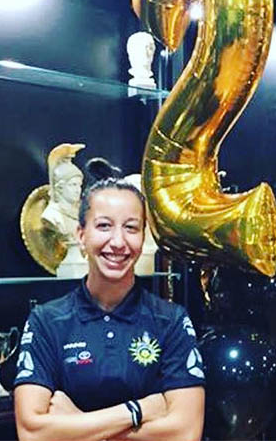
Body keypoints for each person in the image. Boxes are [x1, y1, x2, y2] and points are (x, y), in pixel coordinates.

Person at [14, 177, 205, 441]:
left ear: (143, 237)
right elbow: (32, 433)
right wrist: (138, 410)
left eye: (131, 228)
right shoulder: (46, 321)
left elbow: (185, 433)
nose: (118, 242)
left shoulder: (171, 321)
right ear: (81, 235)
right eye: (104, 226)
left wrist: (75, 422)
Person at [41, 143, 86, 242]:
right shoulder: (52, 216)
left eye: (79, 185)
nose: (77, 190)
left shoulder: (79, 213)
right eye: (73, 185)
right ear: (60, 188)